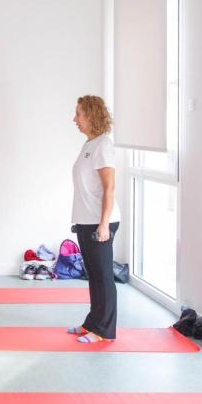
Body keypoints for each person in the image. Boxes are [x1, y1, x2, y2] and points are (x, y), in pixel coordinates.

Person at [67, 95, 121, 343]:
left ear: (91, 115)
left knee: (103, 274)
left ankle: (104, 330)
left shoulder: (103, 145)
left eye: (78, 114)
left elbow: (109, 188)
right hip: (86, 220)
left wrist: (103, 224)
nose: (74, 119)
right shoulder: (90, 144)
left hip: (101, 221)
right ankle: (92, 322)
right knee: (93, 274)